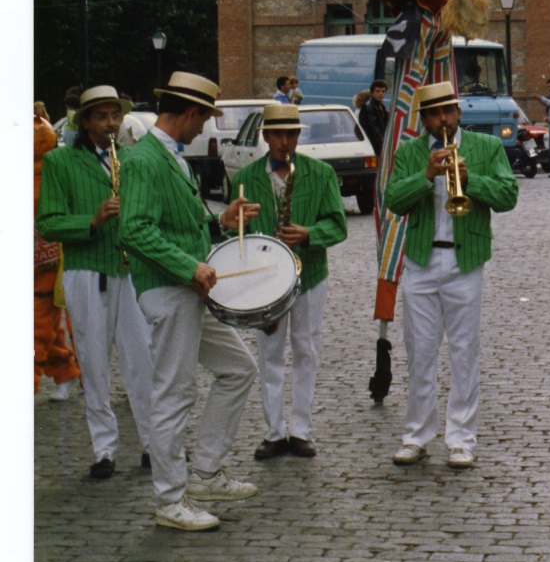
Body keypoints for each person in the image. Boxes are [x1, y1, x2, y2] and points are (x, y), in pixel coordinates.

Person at [119, 71, 262, 531]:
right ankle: (169, 500)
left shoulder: (168, 156)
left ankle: (204, 473)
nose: (204, 128)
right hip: (170, 290)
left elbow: (182, 227)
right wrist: (189, 268)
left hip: (190, 289)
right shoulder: (145, 159)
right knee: (174, 394)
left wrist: (222, 221)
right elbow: (135, 230)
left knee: (239, 370)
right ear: (190, 112)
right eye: (204, 118)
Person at [384, 82, 518, 469]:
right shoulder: (410, 152)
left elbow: (509, 196)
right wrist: (426, 176)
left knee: (464, 352)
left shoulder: (486, 148)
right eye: (434, 113)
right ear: (424, 119)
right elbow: (393, 199)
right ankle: (416, 436)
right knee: (420, 353)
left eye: (449, 111)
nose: (443, 119)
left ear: (459, 112)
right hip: (421, 262)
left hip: (466, 261)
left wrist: (470, 180)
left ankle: (461, 439)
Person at [36, 85, 154, 479]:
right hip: (87, 272)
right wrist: (93, 219)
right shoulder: (59, 161)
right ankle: (104, 450)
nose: (110, 124)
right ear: (85, 122)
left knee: (142, 360)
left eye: (115, 116)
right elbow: (48, 222)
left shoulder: (134, 158)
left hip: (130, 271)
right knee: (93, 361)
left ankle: (154, 445)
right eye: (101, 117)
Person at [371, 0, 461, 327]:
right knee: (443, 93)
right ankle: (449, 143)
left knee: (405, 112)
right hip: (445, 23)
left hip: (421, 21)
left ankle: (401, 167)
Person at [241, 104, 347, 460]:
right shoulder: (246, 175)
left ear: (299, 136)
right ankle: (274, 432)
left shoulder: (321, 173)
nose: (285, 142)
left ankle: (301, 430)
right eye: (277, 135)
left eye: (291, 134)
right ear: (266, 136)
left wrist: (309, 233)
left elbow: (339, 225)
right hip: (265, 279)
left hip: (310, 274)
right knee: (269, 353)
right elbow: (232, 229)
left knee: (306, 350)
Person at [34, 106, 82, 401]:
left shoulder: (48, 167)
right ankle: (65, 371)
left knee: (36, 325)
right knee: (42, 326)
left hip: (44, 261)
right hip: (43, 260)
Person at [358, 78, 389, 162]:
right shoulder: (369, 108)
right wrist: (383, 145)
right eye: (378, 91)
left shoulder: (381, 107)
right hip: (373, 146)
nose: (381, 94)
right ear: (372, 92)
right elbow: (373, 130)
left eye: (383, 91)